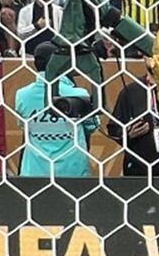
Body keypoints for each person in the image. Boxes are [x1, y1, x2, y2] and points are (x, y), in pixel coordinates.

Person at [14, 42, 98, 177]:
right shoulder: (79, 94)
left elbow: (24, 129)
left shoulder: (22, 95)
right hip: (73, 173)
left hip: (33, 173)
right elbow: (92, 126)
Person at [107, 61, 159, 177]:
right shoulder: (131, 91)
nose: (149, 79)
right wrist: (128, 133)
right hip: (140, 168)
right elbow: (114, 129)